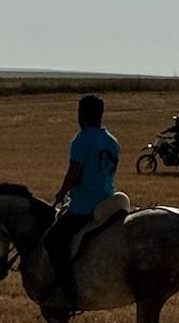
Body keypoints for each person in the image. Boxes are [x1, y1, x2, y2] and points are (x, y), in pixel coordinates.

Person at [44, 94, 121, 306]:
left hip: (85, 205)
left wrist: (61, 194)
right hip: (109, 201)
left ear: (83, 115)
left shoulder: (81, 139)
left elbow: (74, 173)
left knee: (53, 241)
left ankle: (67, 292)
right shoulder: (112, 141)